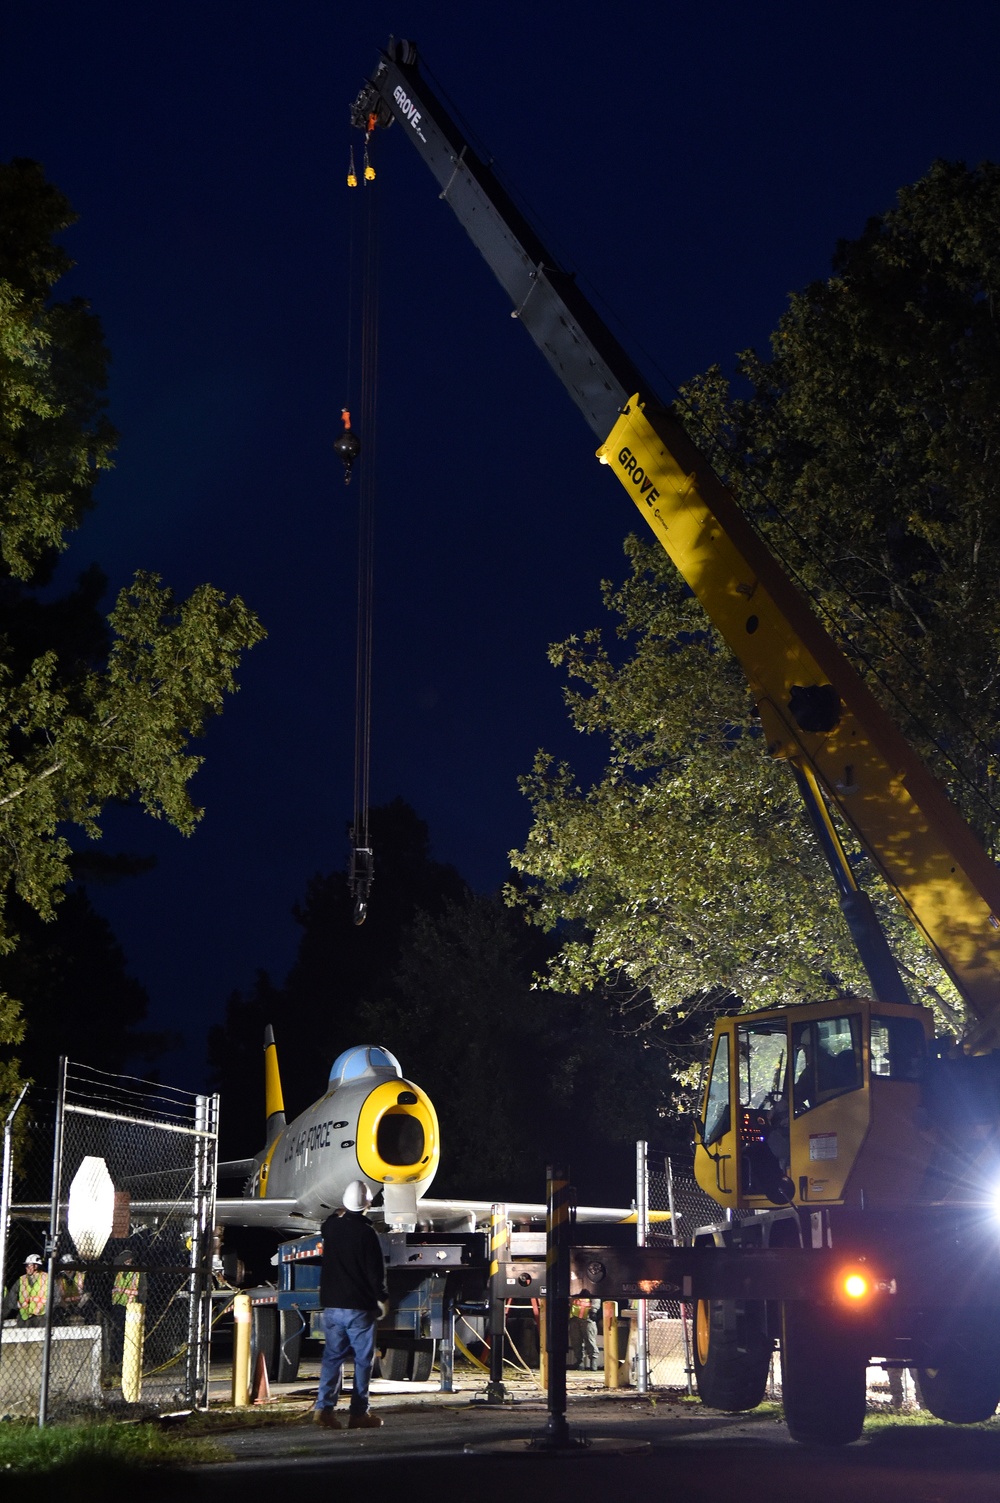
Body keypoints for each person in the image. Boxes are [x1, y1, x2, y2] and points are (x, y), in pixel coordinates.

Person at [312, 1179, 388, 1430]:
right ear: (368, 1204)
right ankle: (358, 1413)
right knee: (363, 1361)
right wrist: (382, 1297)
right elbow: (375, 1271)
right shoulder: (368, 1233)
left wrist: (339, 1213)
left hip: (333, 1306)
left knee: (332, 1359)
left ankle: (324, 1409)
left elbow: (328, 1222)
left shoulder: (332, 1228)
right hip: (359, 1308)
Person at [3, 1252, 48, 1326]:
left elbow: (56, 1298)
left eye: (29, 1265)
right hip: (24, 1316)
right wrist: (17, 1305)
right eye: (26, 1265)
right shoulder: (21, 1280)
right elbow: (11, 1298)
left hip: (42, 1316)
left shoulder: (47, 1278)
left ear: (36, 1266)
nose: (26, 1267)